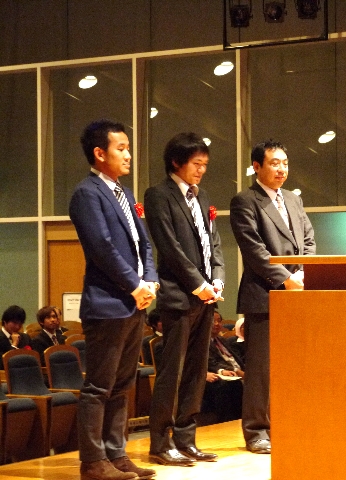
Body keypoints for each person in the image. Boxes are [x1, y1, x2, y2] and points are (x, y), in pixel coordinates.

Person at [69, 119, 159, 480]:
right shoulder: (87, 193)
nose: (128, 155)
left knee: (122, 385)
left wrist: (150, 280)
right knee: (99, 387)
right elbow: (102, 248)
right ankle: (93, 462)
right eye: (121, 148)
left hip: (134, 302)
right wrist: (135, 285)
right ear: (99, 153)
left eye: (128, 148)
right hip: (107, 304)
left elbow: (143, 244)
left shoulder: (124, 192)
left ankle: (117, 455)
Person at [144, 132, 225, 467]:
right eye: (196, 163)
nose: (201, 170)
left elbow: (213, 243)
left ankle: (186, 439)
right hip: (179, 296)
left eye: (205, 164)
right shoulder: (158, 195)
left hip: (206, 298)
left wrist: (217, 278)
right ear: (176, 162)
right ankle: (160, 443)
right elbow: (169, 248)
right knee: (172, 372)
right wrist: (198, 284)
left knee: (196, 370)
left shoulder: (202, 196)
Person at [230, 139, 316, 454]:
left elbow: (308, 239)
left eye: (285, 163)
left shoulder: (293, 198)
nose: (281, 169)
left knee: (292, 366)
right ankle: (256, 432)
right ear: (257, 167)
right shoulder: (245, 201)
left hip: (297, 295)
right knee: (261, 370)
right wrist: (285, 279)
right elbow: (254, 250)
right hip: (263, 295)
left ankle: (288, 423)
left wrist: (303, 272)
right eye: (274, 163)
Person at [201, 310, 244, 423]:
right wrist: (228, 370)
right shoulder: (201, 342)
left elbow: (235, 359)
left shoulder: (222, 340)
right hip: (214, 374)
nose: (217, 324)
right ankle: (228, 421)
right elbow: (210, 362)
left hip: (234, 371)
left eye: (219, 321)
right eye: (213, 321)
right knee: (226, 385)